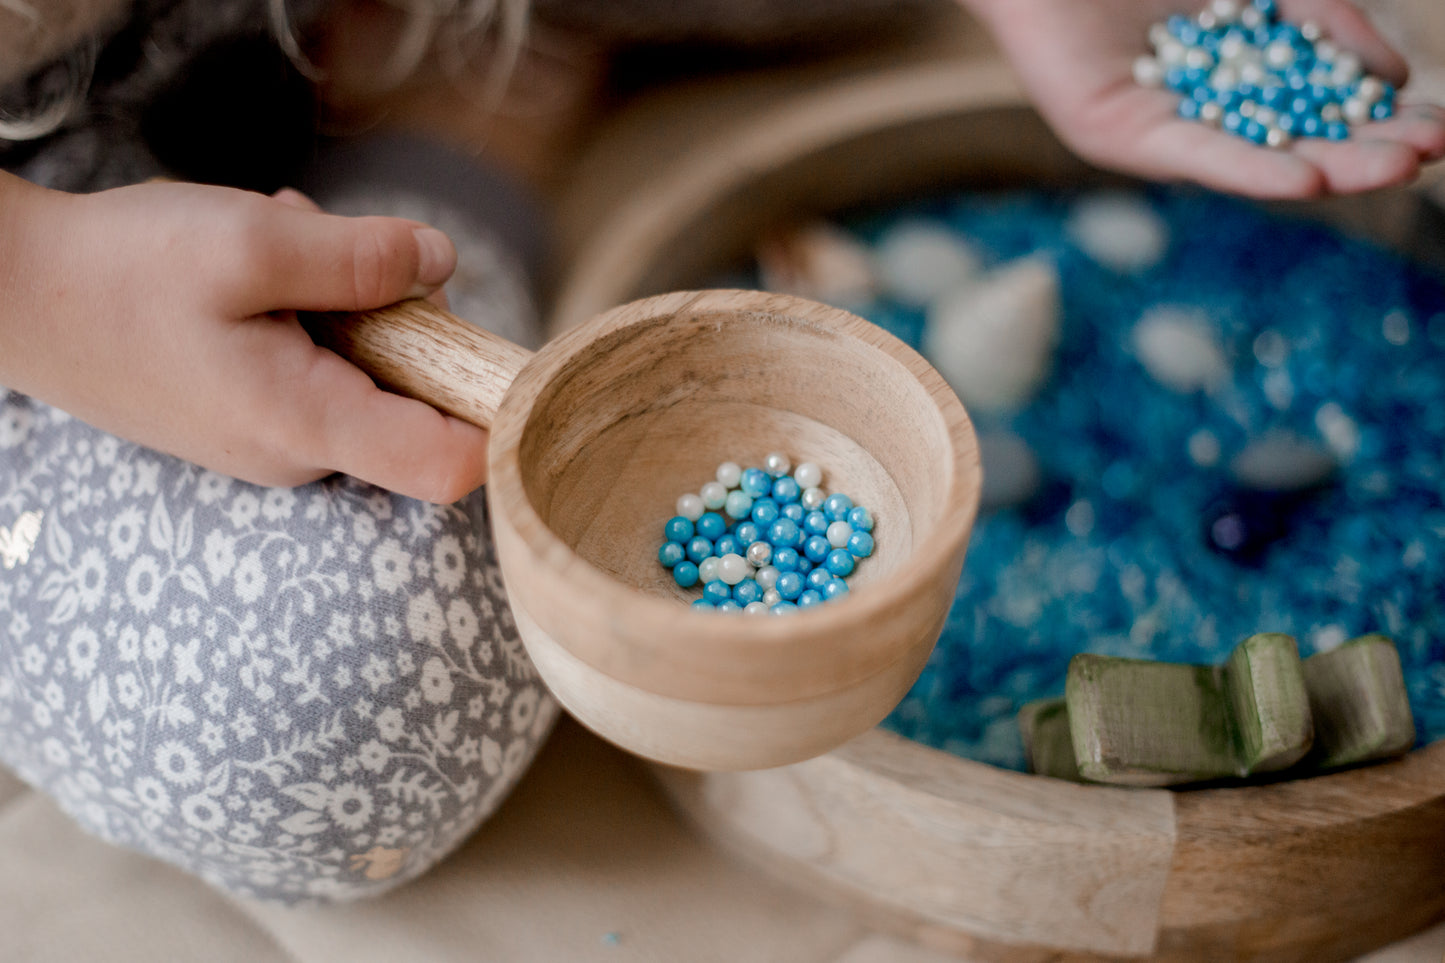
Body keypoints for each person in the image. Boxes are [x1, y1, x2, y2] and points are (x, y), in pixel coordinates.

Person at [0, 0, 1440, 905]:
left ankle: (452, 42)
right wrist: (45, 291)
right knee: (318, 723)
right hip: (52, 183)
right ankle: (471, 125)